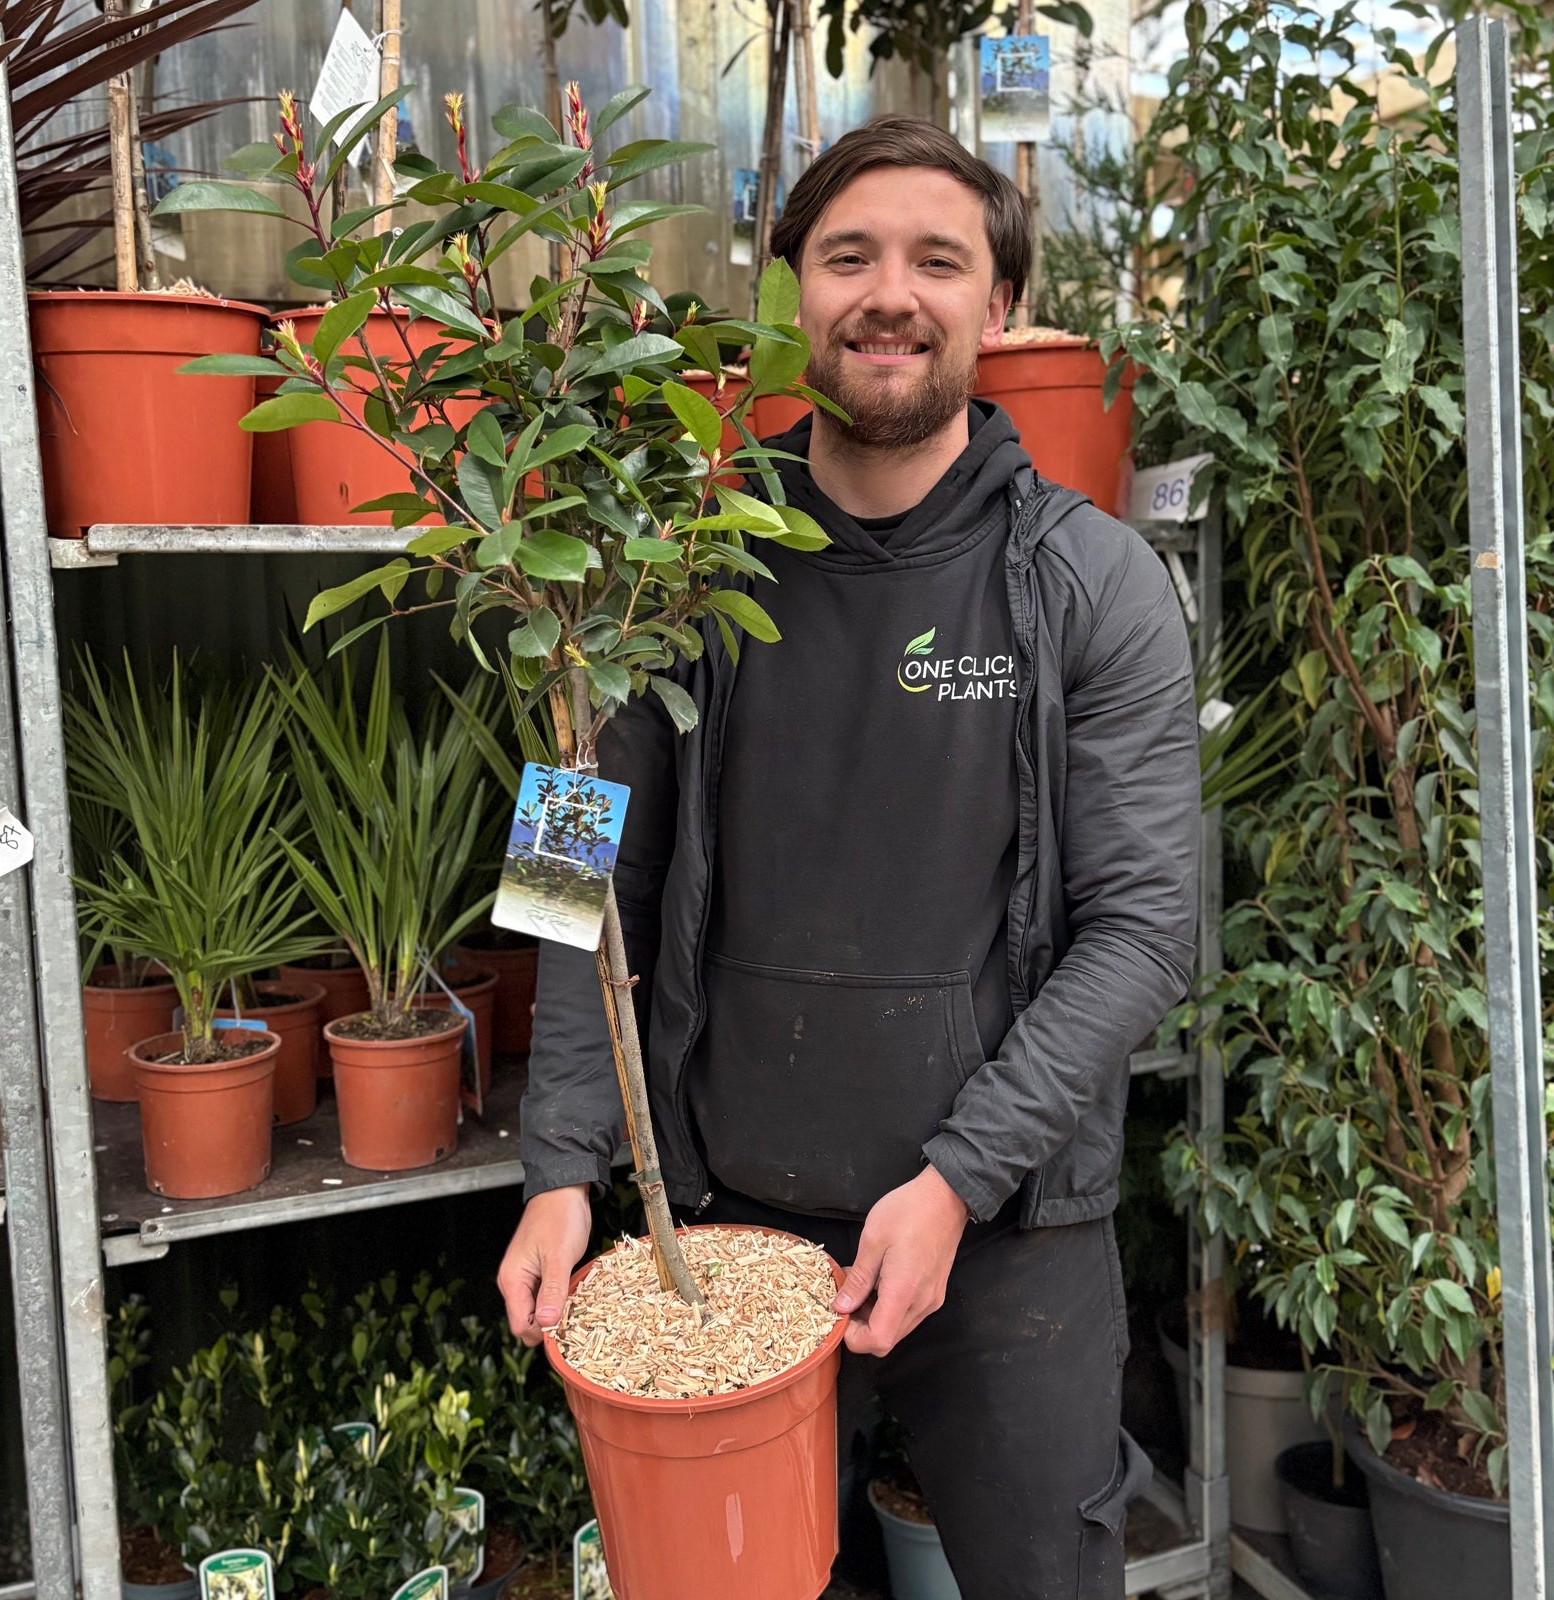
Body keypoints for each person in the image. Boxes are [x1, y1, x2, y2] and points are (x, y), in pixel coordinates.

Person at [497, 114, 1201, 1600]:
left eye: (938, 261)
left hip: (1006, 1234)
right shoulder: (667, 572)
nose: (891, 295)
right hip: (721, 1223)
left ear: (1001, 303)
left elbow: (1147, 928)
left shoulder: (1095, 584)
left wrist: (957, 1177)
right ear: (791, 291)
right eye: (849, 257)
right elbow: (570, 862)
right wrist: (561, 1162)